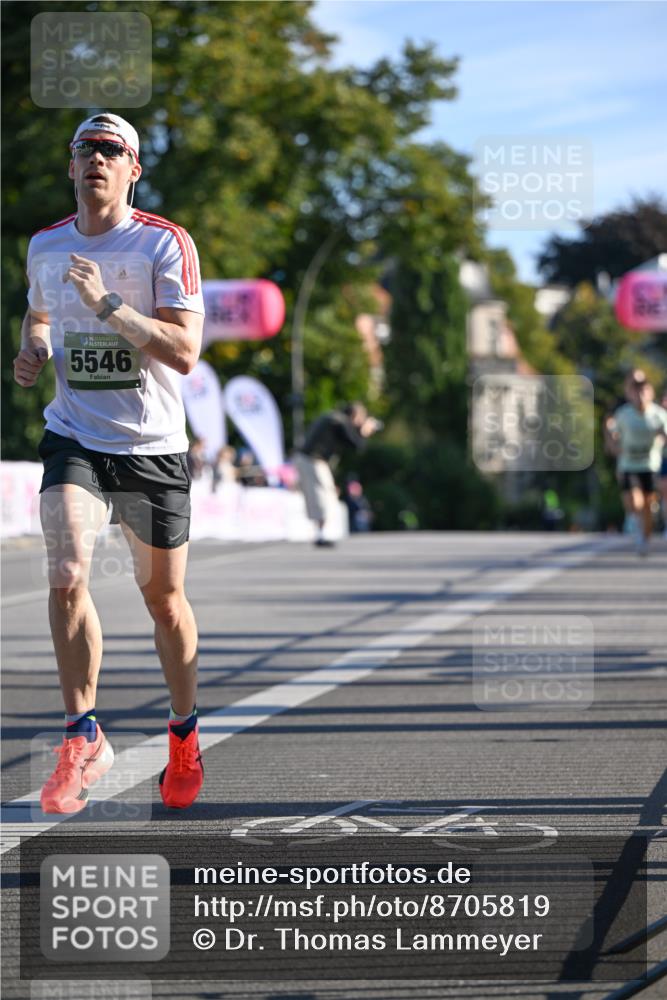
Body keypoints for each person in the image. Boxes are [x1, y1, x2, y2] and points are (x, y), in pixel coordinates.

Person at [13, 113, 206, 813]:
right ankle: (82, 734)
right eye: (85, 149)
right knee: (66, 574)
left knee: (164, 602)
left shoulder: (163, 243)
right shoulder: (45, 245)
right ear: (70, 167)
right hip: (75, 438)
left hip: (151, 448)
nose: (96, 158)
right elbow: (39, 314)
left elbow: (185, 353)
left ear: (132, 169)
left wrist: (110, 305)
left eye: (111, 149)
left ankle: (183, 734)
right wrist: (33, 347)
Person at [295, 402, 382, 546]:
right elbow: (357, 445)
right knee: (322, 495)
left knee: (325, 495)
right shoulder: (340, 421)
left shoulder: (334, 419)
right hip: (312, 460)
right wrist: (365, 431)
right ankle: (320, 535)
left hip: (312, 460)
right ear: (355, 415)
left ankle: (321, 533)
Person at [605, 372, 667, 556]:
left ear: (650, 393)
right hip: (628, 465)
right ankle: (635, 522)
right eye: (636, 392)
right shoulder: (624, 414)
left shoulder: (658, 414)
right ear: (631, 393)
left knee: (647, 506)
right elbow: (611, 431)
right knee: (634, 500)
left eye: (643, 392)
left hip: (650, 465)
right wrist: (613, 445)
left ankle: (644, 539)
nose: (640, 396)